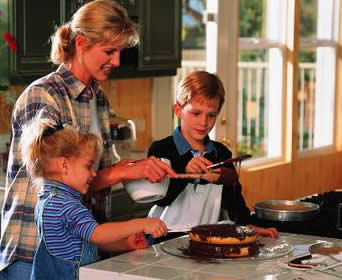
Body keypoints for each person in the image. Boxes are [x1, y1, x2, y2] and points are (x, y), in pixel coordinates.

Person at [0, 1, 176, 279]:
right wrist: (124, 172)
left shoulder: (97, 98)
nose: (117, 61)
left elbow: (86, 182)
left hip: (77, 250)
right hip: (33, 253)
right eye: (109, 51)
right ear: (81, 43)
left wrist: (114, 242)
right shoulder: (43, 96)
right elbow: (56, 181)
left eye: (120, 51)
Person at [18, 114, 167, 280]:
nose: (94, 173)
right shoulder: (63, 205)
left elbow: (86, 240)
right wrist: (141, 224)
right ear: (64, 165)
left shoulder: (51, 198)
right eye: (88, 166)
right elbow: (97, 233)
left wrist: (124, 244)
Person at [148, 71, 278, 239]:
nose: (203, 122)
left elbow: (233, 200)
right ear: (178, 110)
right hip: (162, 237)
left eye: (211, 115)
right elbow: (161, 199)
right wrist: (187, 172)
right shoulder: (161, 149)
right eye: (196, 113)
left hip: (204, 238)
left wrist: (247, 224)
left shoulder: (221, 153)